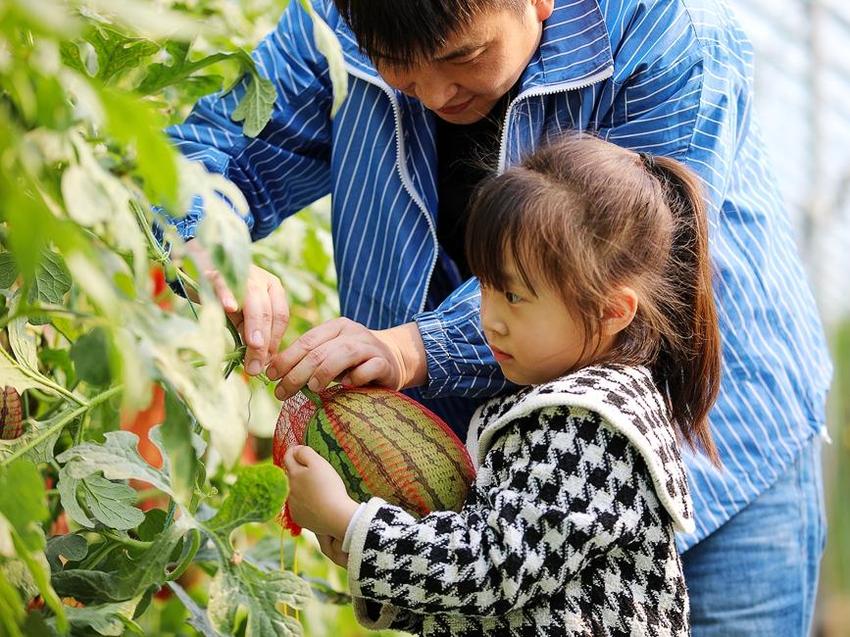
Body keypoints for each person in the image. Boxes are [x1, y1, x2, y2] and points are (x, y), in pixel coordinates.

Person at [160, 0, 831, 633]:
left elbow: (644, 267)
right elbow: (199, 151)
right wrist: (211, 243)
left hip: (718, 455)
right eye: (396, 64)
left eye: (463, 55)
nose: (432, 92)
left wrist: (414, 348)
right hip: (491, 486)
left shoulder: (665, 34)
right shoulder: (339, 17)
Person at [283, 133, 720, 635]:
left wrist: (350, 522)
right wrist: (366, 557)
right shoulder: (550, 403)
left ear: (611, 311)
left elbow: (492, 570)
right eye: (486, 287)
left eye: (513, 295)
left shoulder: (592, 428)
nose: (489, 318)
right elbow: (507, 598)